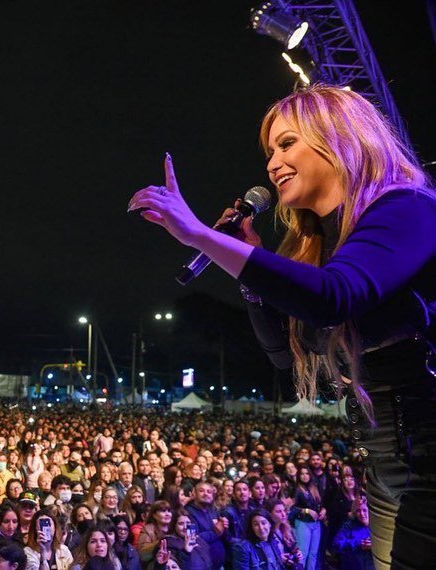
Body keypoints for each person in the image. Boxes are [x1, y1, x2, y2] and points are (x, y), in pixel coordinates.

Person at [129, 84, 436, 567]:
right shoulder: (326, 245)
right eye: (271, 150)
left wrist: (202, 236)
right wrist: (251, 276)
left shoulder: (408, 207)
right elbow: (284, 354)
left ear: (340, 138)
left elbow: (334, 298)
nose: (272, 164)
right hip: (385, 467)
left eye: (287, 143)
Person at [230, 510, 297, 570]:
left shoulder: (273, 542)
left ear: (270, 524)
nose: (261, 528)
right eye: (256, 524)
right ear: (252, 528)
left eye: (264, 523)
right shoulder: (243, 548)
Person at [332, 498, 375, 570]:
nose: (362, 514)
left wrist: (374, 546)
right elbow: (336, 544)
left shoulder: (377, 527)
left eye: (364, 510)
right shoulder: (349, 526)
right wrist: (358, 544)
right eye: (358, 511)